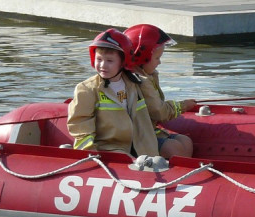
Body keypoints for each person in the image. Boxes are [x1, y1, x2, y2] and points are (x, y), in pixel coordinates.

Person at [67, 29, 160, 159]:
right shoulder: (87, 89)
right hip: (110, 149)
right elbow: (80, 126)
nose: (102, 65)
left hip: (143, 149)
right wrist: (90, 153)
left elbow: (157, 109)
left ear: (123, 62)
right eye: (99, 59)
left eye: (109, 61)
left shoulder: (137, 83)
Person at [123, 24, 196, 158]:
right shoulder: (141, 81)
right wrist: (182, 106)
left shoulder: (147, 76)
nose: (159, 62)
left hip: (147, 129)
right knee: (174, 149)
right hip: (136, 135)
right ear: (141, 57)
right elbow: (159, 112)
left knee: (186, 141)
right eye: (157, 58)